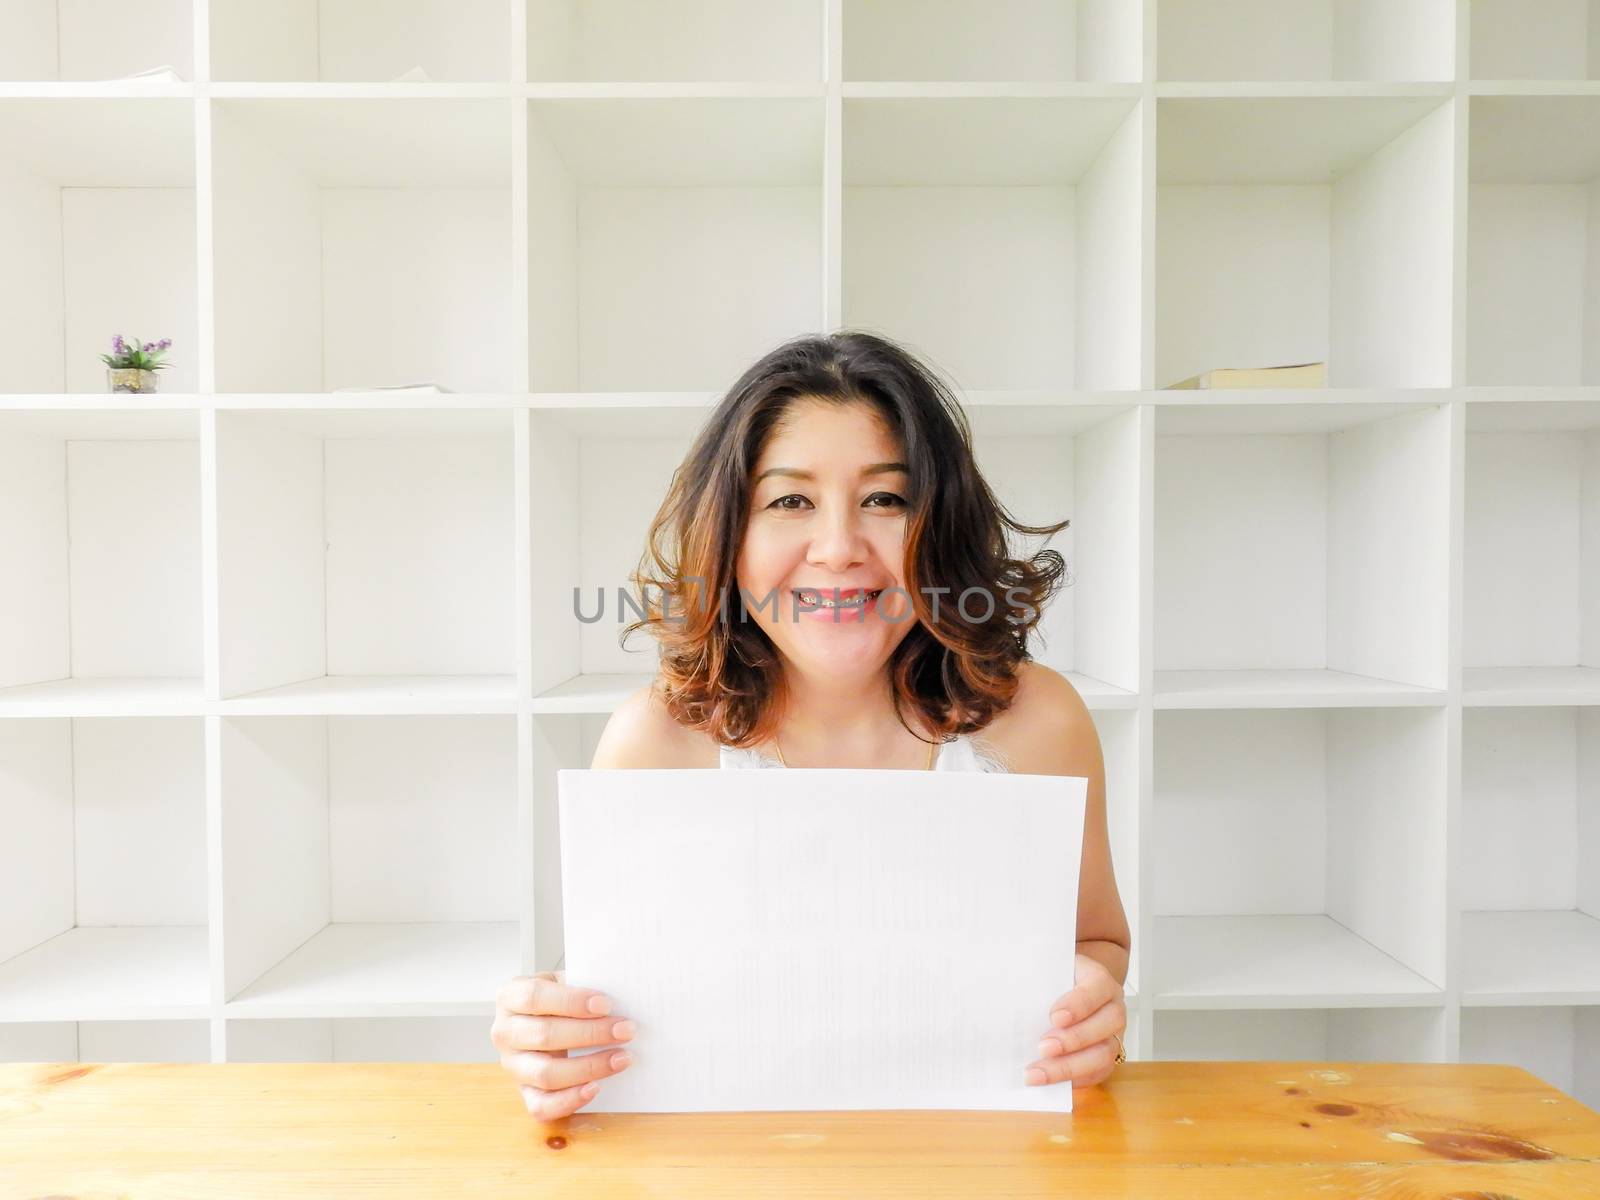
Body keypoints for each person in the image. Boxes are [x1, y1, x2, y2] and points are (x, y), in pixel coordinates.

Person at [490, 330, 1132, 1120]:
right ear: (730, 534)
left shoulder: (1037, 723)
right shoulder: (654, 744)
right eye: (790, 500)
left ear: (942, 526)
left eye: (885, 500)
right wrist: (550, 1033)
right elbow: (612, 1002)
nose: (838, 549)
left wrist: (1097, 1008)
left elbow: (1099, 945)